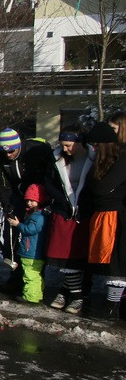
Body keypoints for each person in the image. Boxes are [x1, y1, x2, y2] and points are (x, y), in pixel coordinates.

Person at [0, 128, 54, 292]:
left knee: (34, 238)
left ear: (18, 146)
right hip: (16, 195)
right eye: (4, 152)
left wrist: (39, 203)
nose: (8, 155)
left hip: (37, 196)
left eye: (11, 151)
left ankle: (34, 278)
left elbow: (47, 177)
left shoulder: (33, 151)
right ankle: (16, 276)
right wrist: (8, 206)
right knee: (10, 234)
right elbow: (2, 184)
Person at [44, 126, 93, 314]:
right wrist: (62, 199)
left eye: (69, 145)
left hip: (83, 212)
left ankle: (72, 293)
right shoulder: (56, 158)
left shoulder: (92, 157)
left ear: (79, 143)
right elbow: (49, 182)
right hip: (64, 210)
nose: (65, 149)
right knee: (64, 257)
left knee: (77, 257)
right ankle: (74, 294)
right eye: (63, 145)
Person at [82, 121, 126, 317]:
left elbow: (101, 188)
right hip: (103, 214)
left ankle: (112, 306)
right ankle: (109, 303)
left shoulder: (122, 159)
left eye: (96, 145)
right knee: (106, 261)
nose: (94, 149)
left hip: (117, 216)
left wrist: (97, 189)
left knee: (116, 262)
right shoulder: (101, 162)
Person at [8, 184, 50, 304]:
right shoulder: (37, 215)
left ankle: (31, 296)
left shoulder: (38, 216)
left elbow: (30, 230)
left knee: (30, 275)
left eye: (33, 200)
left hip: (31, 251)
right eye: (28, 200)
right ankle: (36, 294)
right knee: (35, 274)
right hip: (32, 250)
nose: (29, 203)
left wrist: (18, 225)